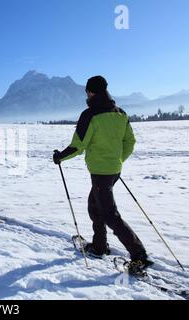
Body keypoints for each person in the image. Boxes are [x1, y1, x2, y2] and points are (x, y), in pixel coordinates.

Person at [53, 76, 152, 270]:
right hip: (113, 170)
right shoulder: (120, 113)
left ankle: (139, 255)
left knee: (109, 214)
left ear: (91, 92)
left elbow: (77, 146)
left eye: (87, 92)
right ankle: (99, 246)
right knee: (94, 206)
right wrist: (118, 160)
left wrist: (59, 157)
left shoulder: (90, 115)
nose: (87, 95)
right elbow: (130, 142)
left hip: (101, 173)